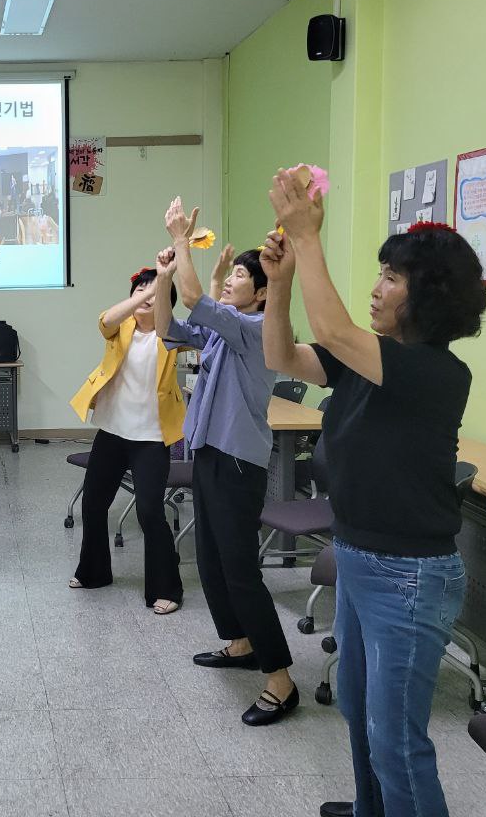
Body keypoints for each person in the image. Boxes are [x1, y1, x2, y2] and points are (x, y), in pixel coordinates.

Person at [259, 166, 486, 817]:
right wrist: (279, 286)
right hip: (360, 557)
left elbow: (330, 333)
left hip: (410, 576)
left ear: (429, 296)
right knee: (359, 708)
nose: (376, 287)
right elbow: (284, 355)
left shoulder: (434, 371)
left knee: (397, 740)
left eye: (392, 277)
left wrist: (306, 236)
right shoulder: (366, 356)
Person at [152, 198, 297, 725]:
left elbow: (195, 298)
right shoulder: (227, 324)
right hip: (210, 453)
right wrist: (167, 277)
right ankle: (239, 643)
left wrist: (182, 246)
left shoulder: (258, 330)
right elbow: (170, 326)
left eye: (239, 275)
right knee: (210, 560)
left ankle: (280, 678)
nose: (231, 279)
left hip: (239, 462)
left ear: (262, 293)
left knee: (239, 569)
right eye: (232, 272)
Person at [68, 264, 186, 614]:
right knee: (93, 504)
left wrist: (158, 290)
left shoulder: (170, 335)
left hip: (150, 436)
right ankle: (94, 573)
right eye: (139, 290)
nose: (145, 296)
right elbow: (105, 319)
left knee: (150, 512)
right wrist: (146, 291)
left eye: (154, 293)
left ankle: (168, 588)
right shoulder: (122, 329)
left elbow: (168, 323)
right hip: (113, 431)